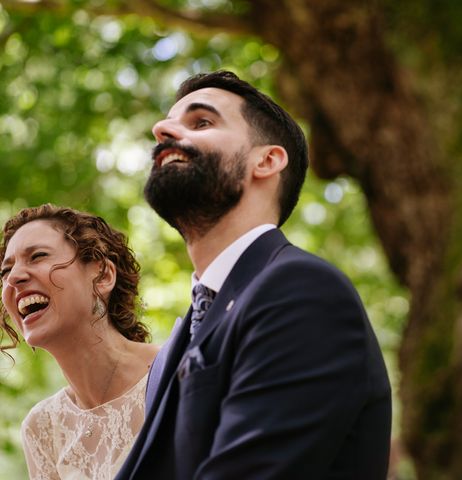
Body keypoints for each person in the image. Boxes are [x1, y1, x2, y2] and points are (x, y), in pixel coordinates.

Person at [116, 70, 392, 480]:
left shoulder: (302, 292)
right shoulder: (182, 337)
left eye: (202, 122)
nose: (162, 129)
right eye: (166, 124)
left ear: (267, 160)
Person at [0, 204, 160, 480]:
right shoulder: (43, 428)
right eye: (5, 271)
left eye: (37, 256)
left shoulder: (179, 371)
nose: (13, 278)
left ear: (103, 276)